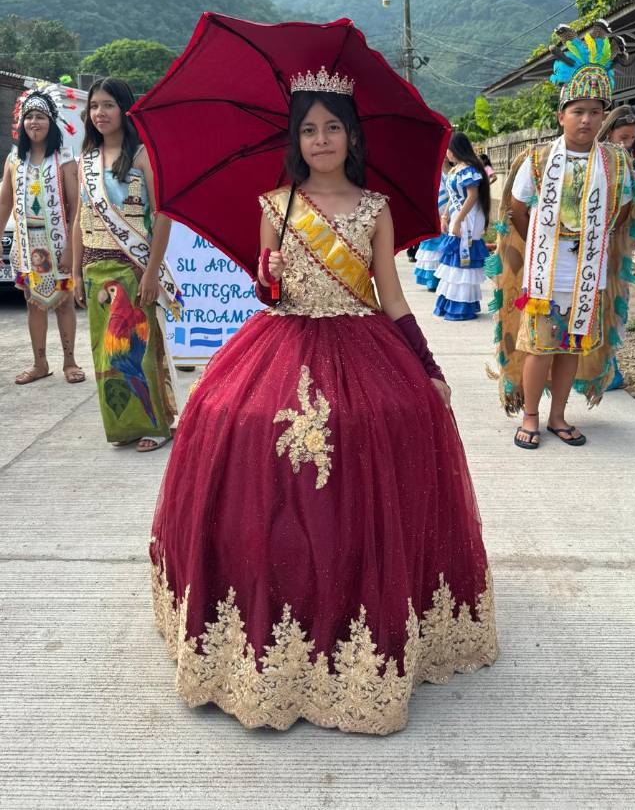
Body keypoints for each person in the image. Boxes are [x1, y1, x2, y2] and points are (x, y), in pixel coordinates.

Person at [149, 67, 497, 735]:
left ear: (351, 135)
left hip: (362, 343)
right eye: (308, 129)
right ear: (296, 139)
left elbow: (391, 294)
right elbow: (267, 296)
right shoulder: (275, 206)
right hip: (283, 342)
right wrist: (269, 275)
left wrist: (427, 367)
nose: (321, 139)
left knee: (384, 427)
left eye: (332, 127)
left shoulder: (375, 208)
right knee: (233, 419)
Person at [490, 23, 635, 448]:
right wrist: (541, 244)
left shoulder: (614, 163)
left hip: (587, 275)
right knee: (540, 347)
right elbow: (517, 208)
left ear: (603, 117)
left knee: (571, 349)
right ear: (562, 116)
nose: (586, 119)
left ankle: (558, 415)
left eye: (595, 111)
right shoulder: (538, 160)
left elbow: (625, 209)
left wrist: (598, 234)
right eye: (578, 111)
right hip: (546, 275)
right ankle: (531, 415)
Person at [72, 78, 181, 451]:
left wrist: (151, 272)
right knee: (105, 356)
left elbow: (162, 216)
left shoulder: (142, 157)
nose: (99, 113)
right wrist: (75, 272)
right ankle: (123, 428)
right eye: (94, 106)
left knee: (139, 352)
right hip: (93, 270)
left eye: (108, 105)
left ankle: (156, 426)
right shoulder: (86, 160)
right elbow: (80, 218)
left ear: (124, 109)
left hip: (132, 269)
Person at [0, 86, 84, 385]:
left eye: (40, 116)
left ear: (52, 122)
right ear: (21, 122)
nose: (34, 122)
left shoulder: (65, 158)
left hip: (59, 246)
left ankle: (70, 362)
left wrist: (71, 249)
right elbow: (5, 203)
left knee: (63, 303)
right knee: (32, 303)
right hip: (26, 248)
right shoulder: (14, 159)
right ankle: (39, 363)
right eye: (29, 116)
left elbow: (76, 207)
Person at [597, 105, 635, 390]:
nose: (627, 143)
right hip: (598, 241)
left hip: (620, 245)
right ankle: (590, 369)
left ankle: (608, 367)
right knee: (596, 301)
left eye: (632, 138)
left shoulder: (630, 161)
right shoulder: (596, 159)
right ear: (608, 132)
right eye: (623, 137)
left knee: (615, 303)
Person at [433, 133, 491, 321]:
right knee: (454, 260)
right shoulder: (456, 169)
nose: (447, 154)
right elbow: (453, 196)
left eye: (448, 150)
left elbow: (472, 196)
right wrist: (445, 215)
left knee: (462, 259)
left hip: (469, 218)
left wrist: (458, 220)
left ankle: (461, 306)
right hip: (459, 215)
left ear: (456, 149)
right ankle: (451, 302)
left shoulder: (469, 170)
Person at [413, 137, 456, 291]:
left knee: (443, 245)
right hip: (433, 212)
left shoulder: (452, 173)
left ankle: (441, 279)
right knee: (432, 245)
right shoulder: (431, 171)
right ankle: (432, 280)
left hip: (448, 213)